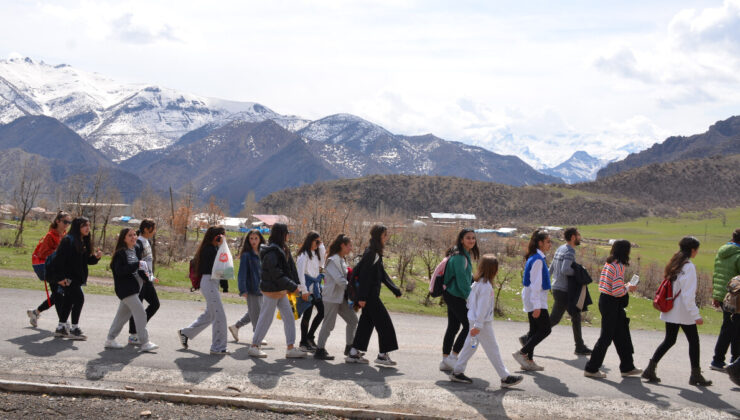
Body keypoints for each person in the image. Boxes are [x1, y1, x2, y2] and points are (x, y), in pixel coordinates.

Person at [642, 237, 711, 386]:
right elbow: (688, 295)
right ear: (693, 250)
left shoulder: (675, 262)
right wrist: (696, 315)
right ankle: (695, 375)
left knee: (669, 340)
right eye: (697, 249)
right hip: (683, 311)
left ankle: (650, 368)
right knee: (693, 341)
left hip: (671, 308)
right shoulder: (689, 267)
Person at [449, 254, 524, 388]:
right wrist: (478, 325)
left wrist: (474, 321)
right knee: (492, 349)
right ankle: (505, 377)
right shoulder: (486, 286)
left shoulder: (477, 283)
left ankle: (457, 371)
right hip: (482, 324)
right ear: (493, 269)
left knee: (470, 346)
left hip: (475, 321)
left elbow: (470, 303)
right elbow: (483, 307)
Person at [519, 228, 592, 356]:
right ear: (573, 237)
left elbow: (551, 267)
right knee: (552, 321)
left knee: (574, 316)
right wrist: (580, 271)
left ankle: (579, 346)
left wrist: (548, 279)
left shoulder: (561, 248)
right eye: (579, 235)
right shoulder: (569, 251)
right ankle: (527, 340)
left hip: (557, 287)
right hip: (564, 289)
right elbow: (565, 270)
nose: (580, 237)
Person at [583, 240, 642, 378]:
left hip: (607, 301)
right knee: (606, 338)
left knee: (622, 334)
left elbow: (614, 286)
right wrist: (628, 288)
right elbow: (616, 291)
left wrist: (624, 286)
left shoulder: (610, 263)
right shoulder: (618, 266)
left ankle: (627, 367)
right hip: (611, 302)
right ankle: (591, 369)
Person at [345, 224, 402, 366]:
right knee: (385, 324)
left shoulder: (374, 252)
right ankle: (383, 355)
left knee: (366, 324)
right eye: (385, 235)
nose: (386, 238)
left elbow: (381, 274)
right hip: (369, 296)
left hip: (369, 295)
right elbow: (365, 276)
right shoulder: (372, 253)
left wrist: (394, 289)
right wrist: (362, 298)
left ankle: (353, 353)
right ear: (379, 237)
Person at [248, 223, 307, 359]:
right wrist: (293, 287)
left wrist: (297, 285)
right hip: (272, 290)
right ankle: (254, 346)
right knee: (266, 319)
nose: (288, 235)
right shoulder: (272, 252)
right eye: (287, 233)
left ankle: (290, 348)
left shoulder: (282, 248)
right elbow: (277, 274)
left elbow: (290, 269)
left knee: (289, 317)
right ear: (282, 234)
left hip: (280, 290)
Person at [178, 226, 230, 355]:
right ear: (216, 236)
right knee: (219, 316)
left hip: (212, 283)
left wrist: (224, 286)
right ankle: (218, 347)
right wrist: (222, 246)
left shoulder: (215, 249)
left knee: (210, 314)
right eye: (222, 236)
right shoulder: (209, 250)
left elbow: (222, 269)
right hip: (209, 282)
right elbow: (220, 266)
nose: (224, 238)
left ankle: (186, 332)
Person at [105, 228, 159, 352]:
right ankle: (145, 342)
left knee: (122, 316)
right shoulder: (120, 253)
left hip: (134, 289)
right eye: (130, 235)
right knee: (141, 313)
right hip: (125, 289)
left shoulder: (134, 250)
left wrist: (149, 278)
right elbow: (120, 271)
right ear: (124, 238)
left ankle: (110, 339)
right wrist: (137, 265)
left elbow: (139, 269)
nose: (134, 237)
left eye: (134, 235)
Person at [53, 217, 102, 340]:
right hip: (68, 278)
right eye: (84, 226)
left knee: (69, 302)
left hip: (77, 278)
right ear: (77, 227)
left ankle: (61, 328)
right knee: (79, 299)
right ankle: (74, 329)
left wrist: (96, 257)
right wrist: (60, 278)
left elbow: (85, 261)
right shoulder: (68, 241)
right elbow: (59, 260)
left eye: (89, 225)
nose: (87, 228)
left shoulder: (82, 241)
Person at [439, 228, 479, 372]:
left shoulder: (463, 254)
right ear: (461, 239)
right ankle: (452, 357)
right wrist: (471, 298)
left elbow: (466, 278)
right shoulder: (460, 257)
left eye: (473, 238)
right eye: (468, 238)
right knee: (469, 327)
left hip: (453, 294)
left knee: (453, 326)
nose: (471, 240)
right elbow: (462, 282)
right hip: (456, 295)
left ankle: (445, 361)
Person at [513, 230, 553, 371]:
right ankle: (522, 353)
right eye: (547, 241)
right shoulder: (537, 260)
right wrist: (537, 306)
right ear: (540, 243)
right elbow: (535, 285)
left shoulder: (536, 257)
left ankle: (528, 361)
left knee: (534, 330)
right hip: (536, 299)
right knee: (545, 329)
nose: (550, 244)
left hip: (533, 298)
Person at [314, 234, 359, 360]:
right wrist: (353, 290)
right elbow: (340, 280)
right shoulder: (332, 260)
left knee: (353, 320)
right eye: (349, 245)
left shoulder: (341, 259)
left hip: (341, 297)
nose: (351, 248)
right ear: (342, 245)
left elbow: (345, 278)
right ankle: (319, 350)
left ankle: (350, 347)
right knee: (329, 324)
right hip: (332, 297)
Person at [27, 211, 71, 327]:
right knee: (58, 295)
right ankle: (63, 324)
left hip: (57, 268)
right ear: (57, 221)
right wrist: (59, 252)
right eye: (65, 222)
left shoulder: (64, 235)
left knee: (57, 294)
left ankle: (35, 312)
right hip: (48, 267)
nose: (67, 224)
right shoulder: (50, 236)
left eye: (69, 222)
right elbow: (42, 253)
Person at [710, 228, 740, 372]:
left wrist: (716, 295)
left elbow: (717, 274)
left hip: (723, 295)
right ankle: (718, 360)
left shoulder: (721, 252)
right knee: (730, 327)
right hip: (736, 297)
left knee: (733, 327)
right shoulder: (738, 255)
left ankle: (734, 360)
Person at [228, 229, 265, 343]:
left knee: (254, 311)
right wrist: (243, 289)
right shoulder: (246, 255)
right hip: (252, 288)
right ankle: (257, 337)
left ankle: (236, 327)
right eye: (251, 238)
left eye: (256, 238)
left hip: (263, 288)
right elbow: (242, 273)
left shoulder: (263, 253)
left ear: (260, 239)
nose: (253, 241)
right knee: (257, 313)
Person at [127, 219, 160, 346]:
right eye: (153, 228)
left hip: (147, 279)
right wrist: (145, 277)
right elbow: (138, 263)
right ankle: (134, 335)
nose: (155, 231)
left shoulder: (146, 241)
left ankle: (139, 329)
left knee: (154, 304)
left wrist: (151, 275)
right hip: (140, 280)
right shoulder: (139, 242)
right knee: (137, 308)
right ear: (146, 229)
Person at [296, 231, 327, 352]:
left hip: (315, 289)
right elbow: (300, 274)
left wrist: (321, 245)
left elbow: (322, 263)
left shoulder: (315, 254)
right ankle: (303, 342)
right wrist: (303, 291)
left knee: (322, 312)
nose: (318, 244)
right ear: (310, 241)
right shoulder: (303, 255)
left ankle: (310, 337)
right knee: (307, 315)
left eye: (319, 242)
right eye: (316, 242)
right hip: (307, 289)